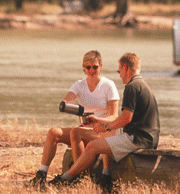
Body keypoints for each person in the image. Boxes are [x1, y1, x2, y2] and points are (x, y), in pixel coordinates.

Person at [48, 52, 160, 192]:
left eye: (119, 70)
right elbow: (125, 119)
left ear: (125, 67)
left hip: (138, 138)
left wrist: (106, 127)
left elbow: (126, 118)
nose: (119, 74)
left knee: (92, 146)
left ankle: (65, 178)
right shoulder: (142, 84)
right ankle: (105, 177)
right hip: (148, 137)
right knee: (104, 136)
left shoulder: (132, 87)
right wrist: (103, 124)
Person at [29, 50, 119, 189]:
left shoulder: (108, 85)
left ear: (101, 66)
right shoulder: (79, 84)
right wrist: (75, 109)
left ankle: (78, 175)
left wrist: (96, 119)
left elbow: (114, 116)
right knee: (53, 132)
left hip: (103, 131)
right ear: (83, 68)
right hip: (85, 129)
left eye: (94, 67)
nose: (91, 70)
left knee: (76, 131)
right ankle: (41, 175)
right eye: (88, 67)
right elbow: (66, 102)